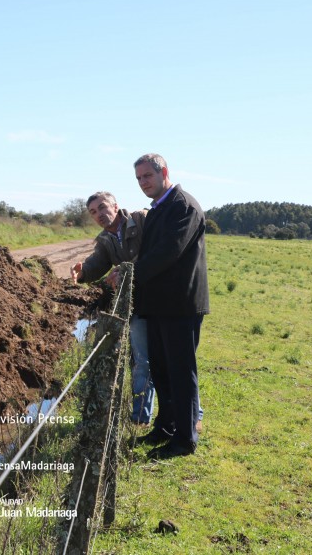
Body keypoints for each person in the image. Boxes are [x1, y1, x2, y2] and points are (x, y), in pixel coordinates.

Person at [130, 153, 209, 459]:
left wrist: (129, 274)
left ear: (164, 172)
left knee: (180, 371)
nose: (143, 183)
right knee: (161, 371)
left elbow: (168, 252)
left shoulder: (183, 206)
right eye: (138, 179)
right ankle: (165, 428)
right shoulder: (158, 208)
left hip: (180, 305)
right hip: (160, 305)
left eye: (147, 176)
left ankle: (185, 440)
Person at [70, 192, 155, 425]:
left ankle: (189, 414)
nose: (99, 215)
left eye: (103, 207)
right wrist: (83, 272)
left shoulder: (141, 219)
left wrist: (127, 269)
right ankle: (140, 418)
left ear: (116, 206)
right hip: (136, 303)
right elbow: (98, 262)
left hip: (161, 299)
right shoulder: (105, 240)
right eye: (93, 212)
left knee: (171, 357)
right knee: (141, 359)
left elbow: (157, 250)